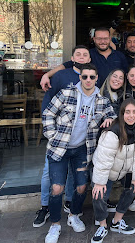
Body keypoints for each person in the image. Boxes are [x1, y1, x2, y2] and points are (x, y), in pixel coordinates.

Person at [42, 63, 116, 243]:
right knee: (57, 188)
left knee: (82, 187)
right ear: (80, 78)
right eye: (85, 77)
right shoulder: (66, 93)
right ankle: (55, 225)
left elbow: (113, 114)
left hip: (82, 149)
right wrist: (52, 136)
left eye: (92, 77)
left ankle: (73, 215)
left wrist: (108, 118)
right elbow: (48, 114)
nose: (88, 80)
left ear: (97, 78)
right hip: (59, 148)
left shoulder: (101, 99)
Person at [34, 45, 91, 228]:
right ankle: (45, 208)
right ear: (72, 57)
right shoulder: (61, 76)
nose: (82, 58)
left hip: (79, 141)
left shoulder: (91, 78)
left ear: (89, 59)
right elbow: (47, 107)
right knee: (48, 175)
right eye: (78, 55)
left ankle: (69, 205)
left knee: (75, 177)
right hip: (59, 138)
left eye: (85, 55)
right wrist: (52, 134)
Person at [91, 99, 135, 243]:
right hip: (106, 168)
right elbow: (104, 161)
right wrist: (99, 182)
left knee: (133, 187)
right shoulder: (113, 132)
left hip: (124, 169)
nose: (131, 116)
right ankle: (102, 225)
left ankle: (117, 221)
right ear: (121, 114)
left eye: (134, 112)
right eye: (127, 112)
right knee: (98, 193)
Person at [40, 27, 128, 90]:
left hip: (116, 96)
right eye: (99, 39)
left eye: (105, 38)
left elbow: (127, 75)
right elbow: (66, 65)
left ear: (110, 39)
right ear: (94, 39)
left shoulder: (120, 56)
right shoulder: (88, 55)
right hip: (94, 97)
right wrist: (46, 75)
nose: (102, 42)